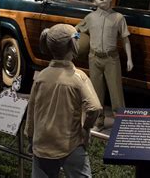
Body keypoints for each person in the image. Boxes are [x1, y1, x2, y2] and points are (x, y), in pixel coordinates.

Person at [24, 24, 102, 178]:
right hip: (70, 145)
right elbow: (94, 107)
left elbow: (32, 111)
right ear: (73, 45)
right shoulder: (78, 78)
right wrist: (85, 129)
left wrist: (31, 137)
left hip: (42, 146)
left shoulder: (41, 77)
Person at [76, 0, 133, 131]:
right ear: (94, 1)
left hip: (111, 59)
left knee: (116, 92)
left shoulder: (118, 18)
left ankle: (121, 123)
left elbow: (125, 39)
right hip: (94, 59)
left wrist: (129, 59)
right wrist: (71, 38)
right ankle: (98, 121)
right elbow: (77, 30)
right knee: (95, 92)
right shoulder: (90, 18)